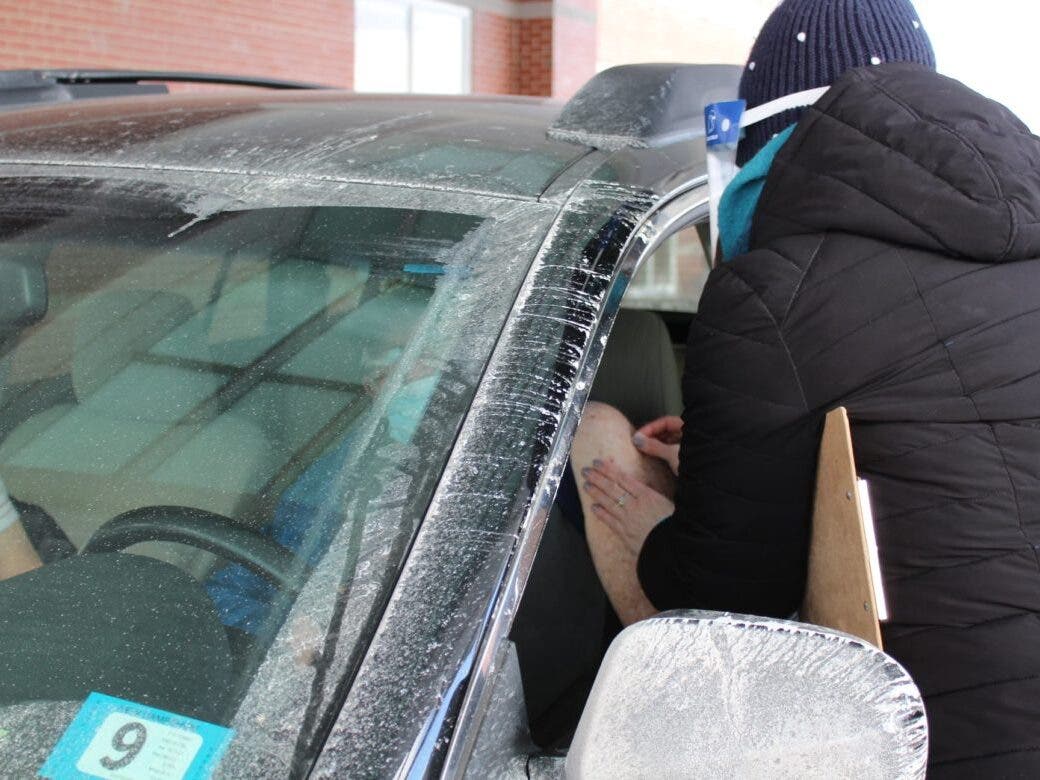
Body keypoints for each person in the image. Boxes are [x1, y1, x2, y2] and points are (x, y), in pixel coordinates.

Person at [573, 0, 1040, 774]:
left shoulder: (772, 295)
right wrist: (742, 460)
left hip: (946, 745)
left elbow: (727, 608)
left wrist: (654, 528)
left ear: (769, 140)